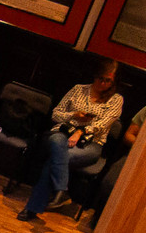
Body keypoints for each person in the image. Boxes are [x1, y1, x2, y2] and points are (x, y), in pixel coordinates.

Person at [17, 60, 123, 220]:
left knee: (57, 157)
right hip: (63, 133)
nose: (103, 83)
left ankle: (35, 206)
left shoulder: (115, 99)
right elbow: (56, 114)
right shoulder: (78, 89)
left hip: (91, 142)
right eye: (100, 78)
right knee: (56, 142)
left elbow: (102, 124)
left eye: (108, 81)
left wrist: (80, 131)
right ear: (95, 76)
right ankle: (61, 189)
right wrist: (73, 115)